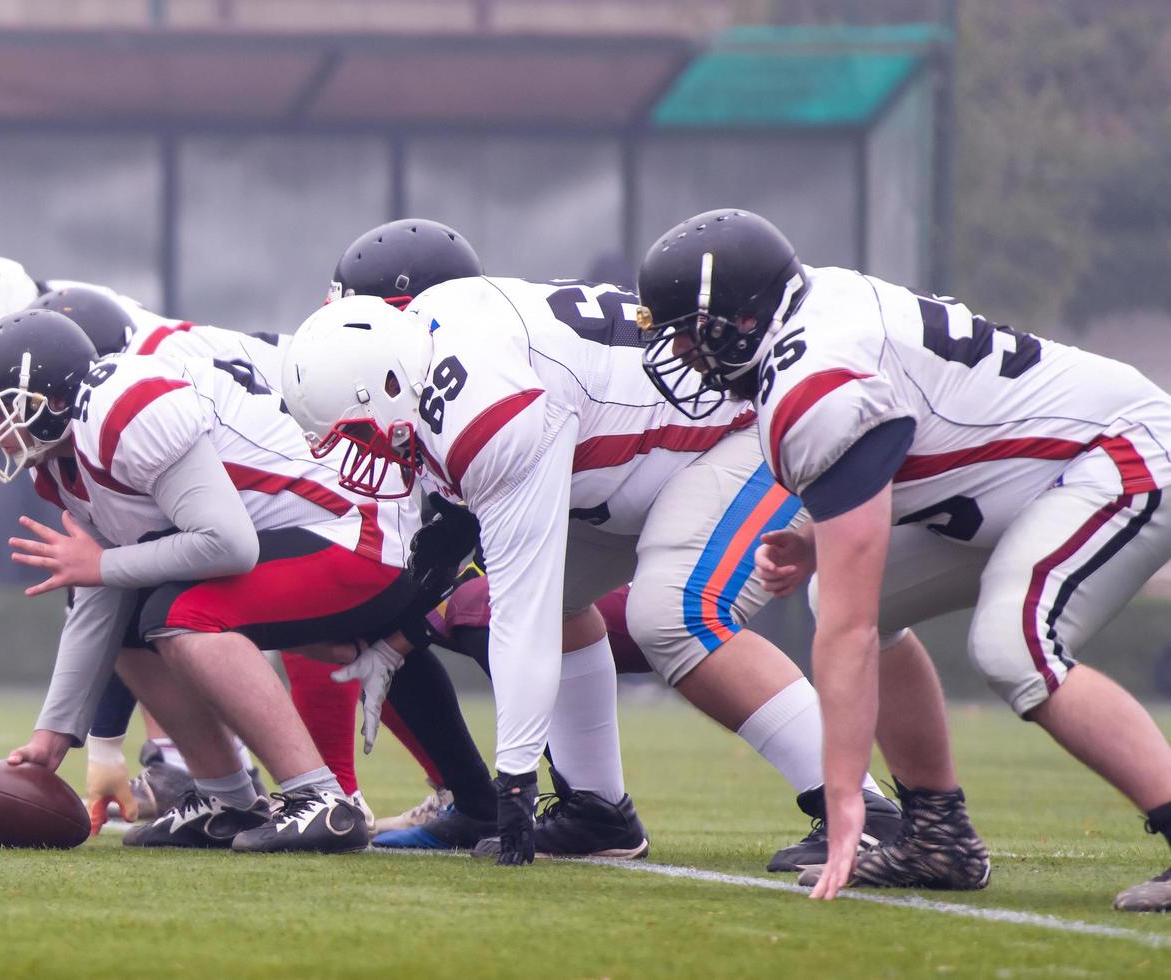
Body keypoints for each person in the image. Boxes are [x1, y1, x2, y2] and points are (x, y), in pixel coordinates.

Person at [311, 218, 903, 868]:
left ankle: (860, 807)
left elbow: (514, 601)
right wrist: (395, 639)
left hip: (754, 431)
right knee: (557, 595)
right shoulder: (454, 356)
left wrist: (513, 780)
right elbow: (454, 543)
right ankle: (598, 811)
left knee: (672, 614)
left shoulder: (478, 383)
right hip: (648, 465)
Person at [636, 208, 1171, 911]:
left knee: (1011, 644)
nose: (684, 356)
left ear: (739, 321)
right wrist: (818, 542)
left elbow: (849, 638)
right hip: (1036, 478)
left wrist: (843, 801)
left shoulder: (813, 382)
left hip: (1118, 453)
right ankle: (936, 836)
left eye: (688, 335)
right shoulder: (809, 321)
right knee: (847, 595)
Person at [0, 309, 418, 853]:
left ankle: (320, 799)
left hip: (360, 533)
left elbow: (228, 543)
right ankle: (227, 800)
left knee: (180, 614)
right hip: (307, 541)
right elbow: (100, 596)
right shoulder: (59, 459)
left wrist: (103, 566)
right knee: (137, 618)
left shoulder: (122, 412)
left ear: (54, 402)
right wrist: (53, 735)